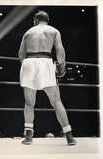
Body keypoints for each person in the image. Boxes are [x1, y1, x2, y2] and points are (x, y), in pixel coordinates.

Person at [18, 10, 76, 145]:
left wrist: (27, 67)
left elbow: (21, 54)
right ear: (47, 20)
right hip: (45, 62)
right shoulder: (54, 31)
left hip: (29, 62)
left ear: (35, 20)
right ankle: (69, 135)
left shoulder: (28, 32)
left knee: (29, 103)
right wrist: (62, 66)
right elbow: (60, 51)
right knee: (56, 101)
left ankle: (28, 136)